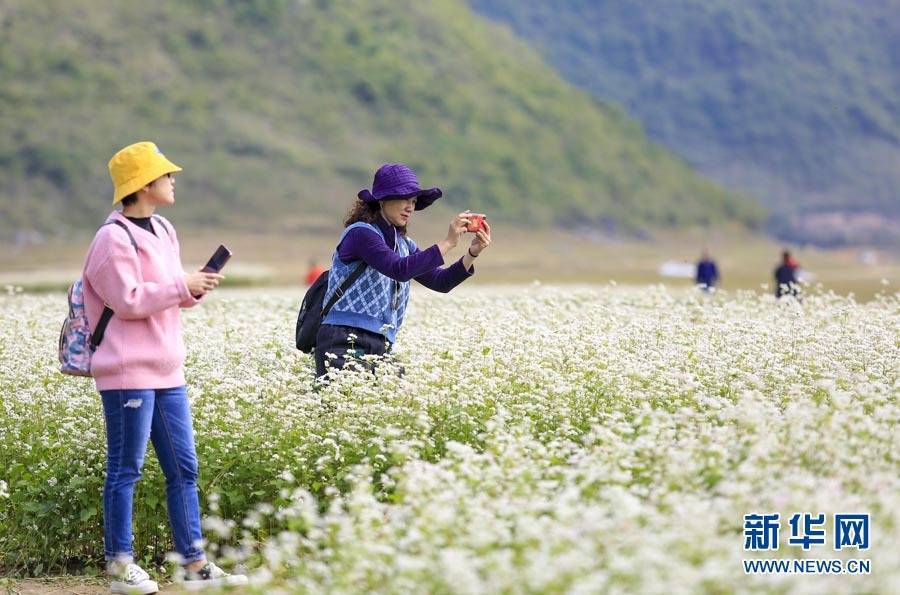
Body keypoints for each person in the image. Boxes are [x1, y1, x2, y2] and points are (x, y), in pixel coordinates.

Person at [80, 142, 247, 593]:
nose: (173, 180)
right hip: (127, 371)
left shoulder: (164, 229)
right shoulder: (112, 238)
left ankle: (193, 564)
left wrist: (195, 287)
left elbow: (169, 295)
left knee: (184, 468)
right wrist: (181, 284)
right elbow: (129, 300)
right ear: (143, 184)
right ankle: (119, 568)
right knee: (126, 469)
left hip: (168, 370)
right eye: (165, 175)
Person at [315, 163, 492, 378]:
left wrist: (472, 253)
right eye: (404, 199)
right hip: (344, 339)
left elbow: (440, 282)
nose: (410, 207)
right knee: (343, 409)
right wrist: (448, 242)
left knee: (390, 404)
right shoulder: (361, 234)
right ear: (382, 200)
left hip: (380, 342)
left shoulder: (404, 244)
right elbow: (398, 269)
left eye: (413, 201)